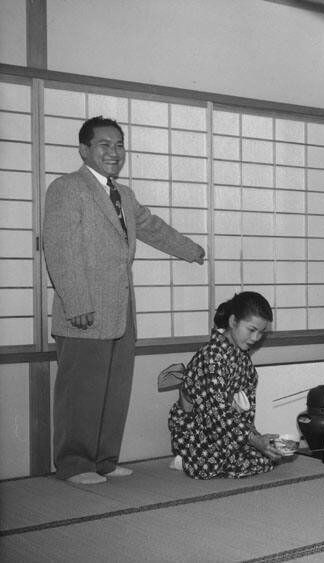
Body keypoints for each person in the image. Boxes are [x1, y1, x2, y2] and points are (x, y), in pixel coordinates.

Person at [43, 116, 205, 485]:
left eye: (118, 145)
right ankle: (75, 464)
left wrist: (190, 249)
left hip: (120, 307)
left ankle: (102, 459)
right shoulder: (67, 188)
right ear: (84, 149)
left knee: (114, 389)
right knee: (81, 391)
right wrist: (77, 301)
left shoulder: (123, 194)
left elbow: (151, 226)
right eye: (104, 144)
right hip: (82, 308)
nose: (113, 152)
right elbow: (60, 249)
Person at [168, 292, 284, 479]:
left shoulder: (240, 355)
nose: (256, 338)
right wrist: (254, 440)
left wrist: (257, 438)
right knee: (209, 468)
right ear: (233, 321)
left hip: (225, 427)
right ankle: (185, 457)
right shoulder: (212, 357)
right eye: (251, 329)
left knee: (265, 459)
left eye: (261, 332)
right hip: (198, 429)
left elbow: (246, 405)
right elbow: (217, 411)